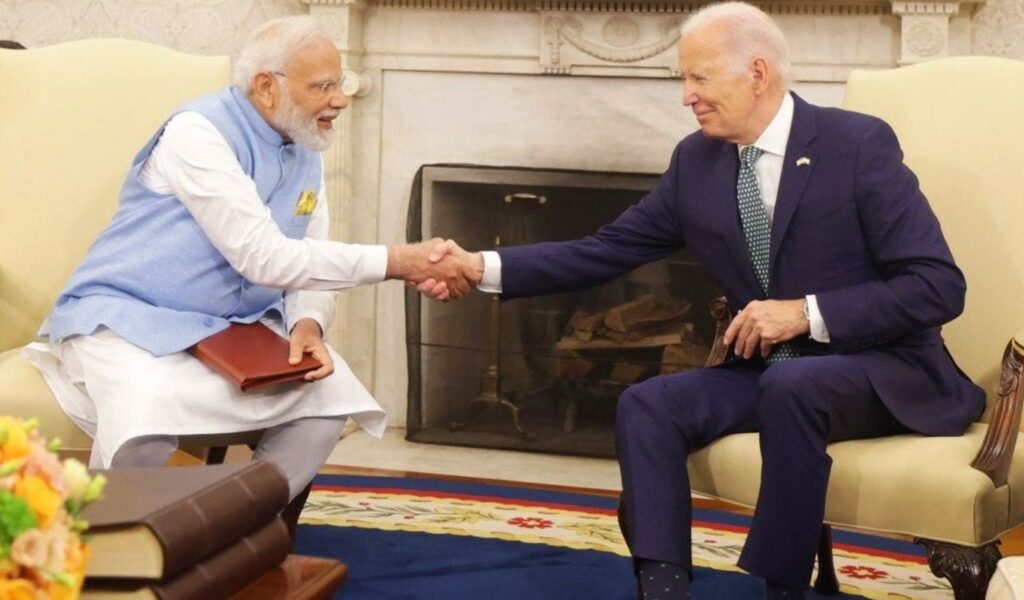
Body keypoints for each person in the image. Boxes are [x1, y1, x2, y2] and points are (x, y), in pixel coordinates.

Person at [422, 2, 985, 597]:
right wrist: (479, 265)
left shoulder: (857, 145)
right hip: (773, 376)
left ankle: (781, 587)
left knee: (792, 386)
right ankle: (661, 587)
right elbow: (606, 248)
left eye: (699, 78)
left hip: (883, 372)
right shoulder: (698, 162)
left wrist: (805, 313)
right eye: (683, 79)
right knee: (648, 403)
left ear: (757, 74)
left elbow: (938, 285)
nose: (686, 96)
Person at [22, 16, 476, 514]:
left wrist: (308, 322)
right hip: (129, 319)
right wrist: (399, 261)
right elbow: (263, 256)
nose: (341, 100)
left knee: (327, 399)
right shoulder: (196, 133)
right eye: (324, 86)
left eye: (339, 84)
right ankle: (117, 549)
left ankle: (235, 524)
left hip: (232, 332)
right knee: (143, 417)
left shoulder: (306, 148)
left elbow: (311, 250)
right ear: (266, 87)